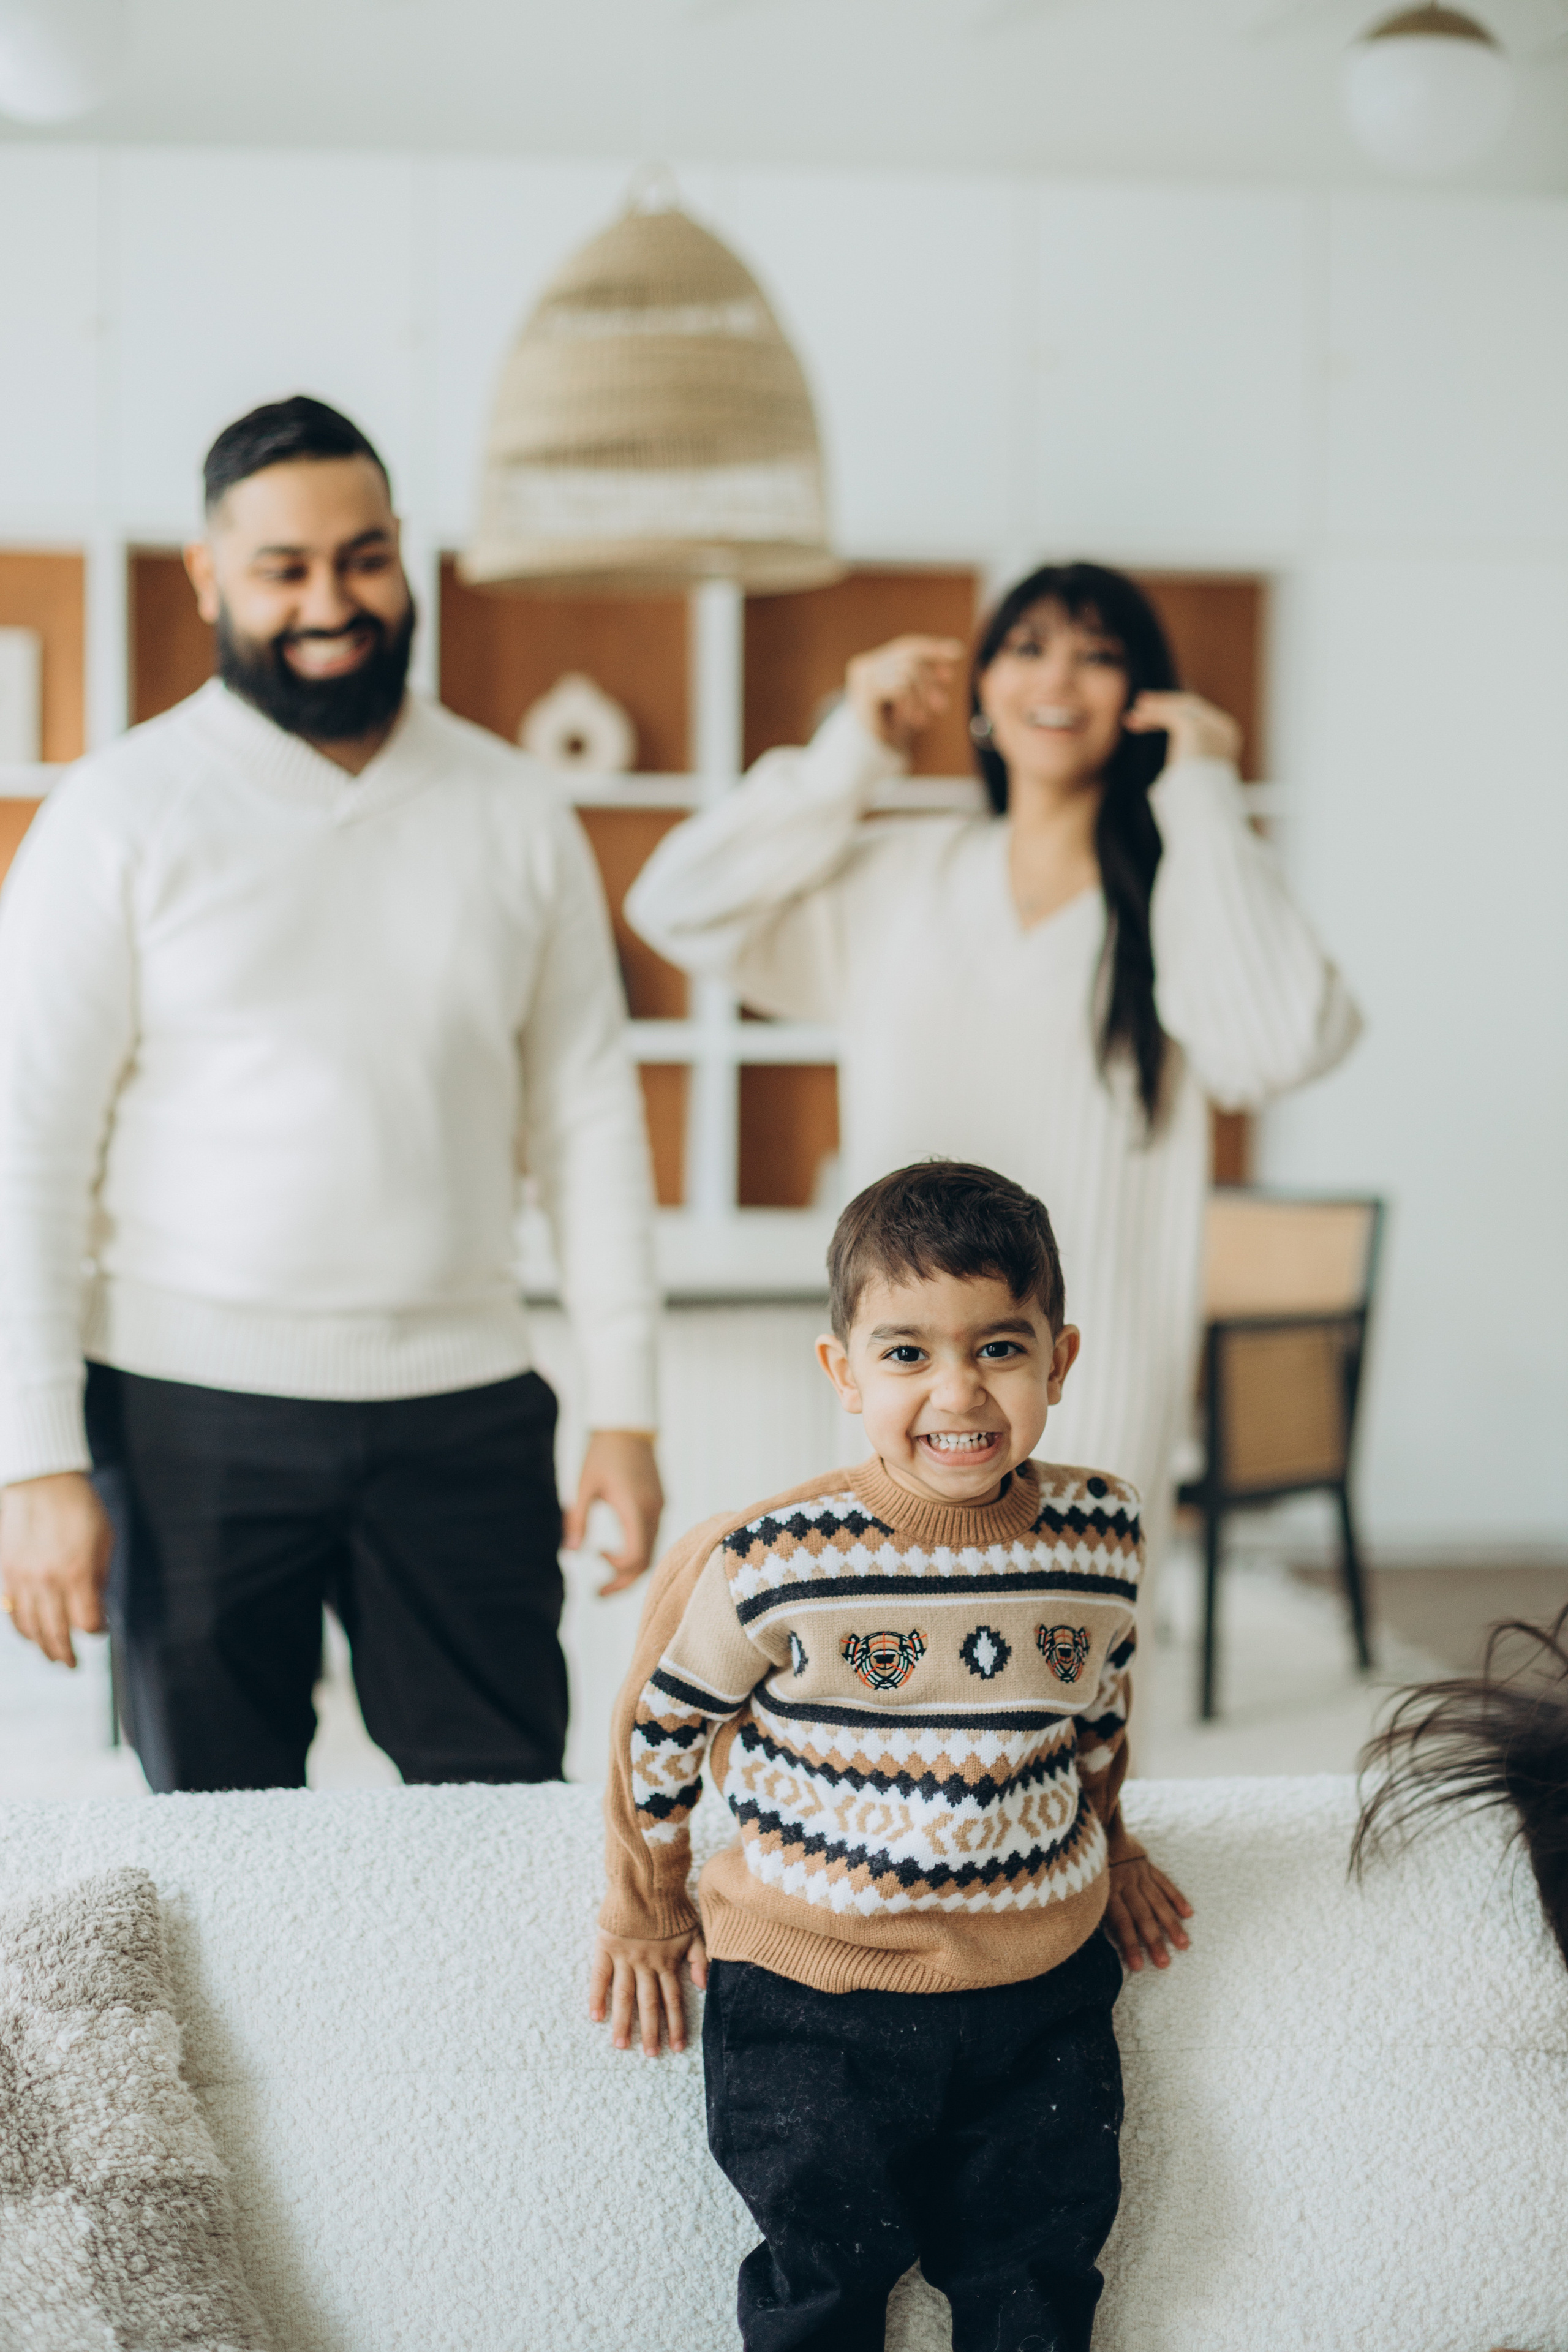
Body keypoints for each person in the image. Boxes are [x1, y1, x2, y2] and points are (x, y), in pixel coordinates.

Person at [0, 394, 662, 1793]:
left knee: (498, 1821)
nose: (328, 602)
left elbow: (589, 1123)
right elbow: (28, 1152)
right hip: (184, 1410)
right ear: (207, 577)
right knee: (224, 1845)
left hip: (467, 1403)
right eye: (282, 568)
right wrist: (34, 1462)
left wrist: (626, 1409)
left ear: (404, 555)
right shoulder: (116, 814)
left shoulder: (513, 809)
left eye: (360, 559)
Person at [626, 562, 1362, 1591]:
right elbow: (677, 905)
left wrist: (1200, 790)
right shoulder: (899, 875)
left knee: (1076, 1669)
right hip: (905, 1357)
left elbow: (1285, 1042)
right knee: (883, 1648)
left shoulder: (1178, 895)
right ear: (979, 692)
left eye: (1099, 654)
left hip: (1086, 1364)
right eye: (1028, 647)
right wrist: (854, 749)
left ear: (1140, 699)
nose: (1060, 677)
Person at [590, 1159, 1192, 2352]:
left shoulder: (1103, 1531)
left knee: (1039, 2264)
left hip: (1037, 1984)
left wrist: (1112, 1850)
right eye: (907, 1353)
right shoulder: (773, 1557)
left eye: (999, 1349)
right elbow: (655, 1728)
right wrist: (643, 1909)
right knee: (821, 2276)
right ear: (844, 1371)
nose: (956, 1392)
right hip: (810, 1985)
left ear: (1058, 1361)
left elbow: (1097, 1710)